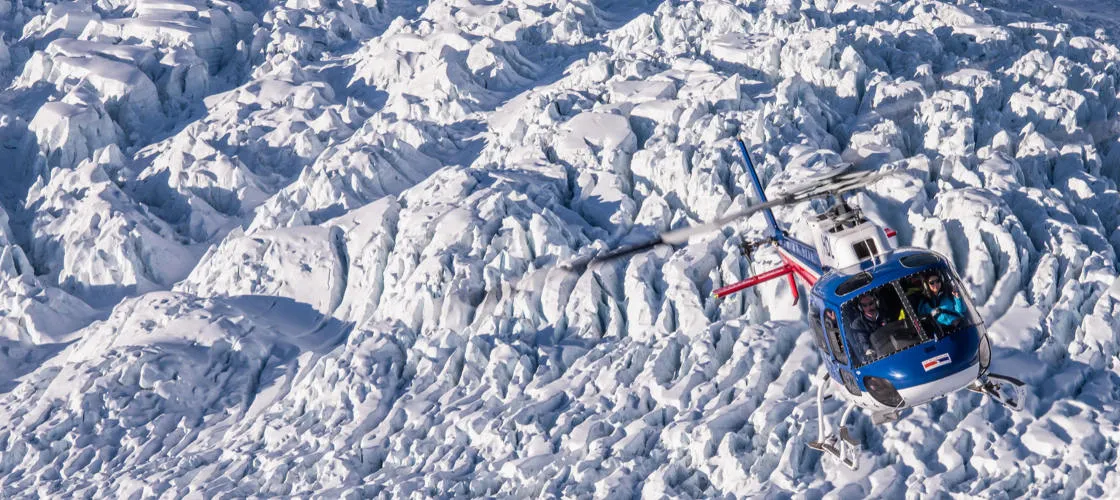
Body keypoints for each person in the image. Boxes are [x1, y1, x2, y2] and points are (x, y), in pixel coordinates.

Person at [848, 292, 887, 361]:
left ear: (876, 302)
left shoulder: (886, 314)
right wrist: (868, 350)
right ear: (860, 307)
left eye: (871, 303)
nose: (869, 307)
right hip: (879, 355)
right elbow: (862, 341)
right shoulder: (858, 324)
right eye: (864, 305)